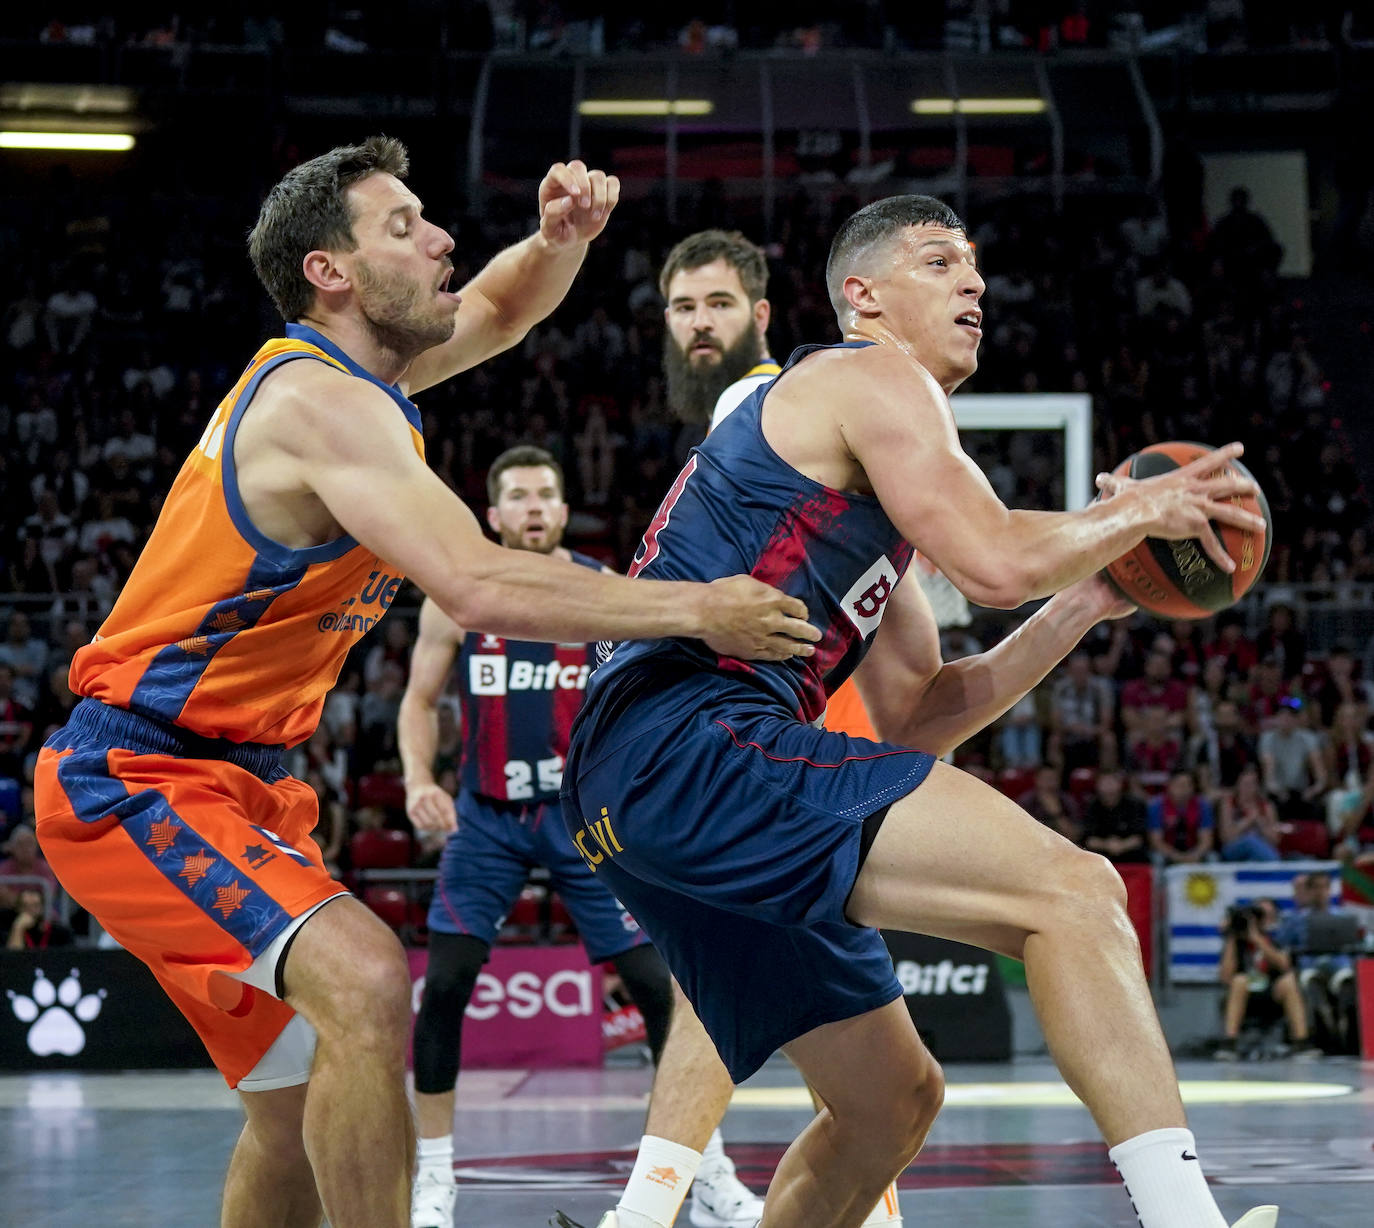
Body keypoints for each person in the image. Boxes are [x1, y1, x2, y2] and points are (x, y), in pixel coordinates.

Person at [31, 137, 818, 1228]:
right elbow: (480, 581)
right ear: (330, 272)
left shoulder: (366, 383)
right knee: (365, 977)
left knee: (290, 1117)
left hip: (242, 783)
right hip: (138, 774)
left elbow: (496, 311)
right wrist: (700, 607)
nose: (442, 237)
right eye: (403, 226)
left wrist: (557, 241)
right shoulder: (318, 405)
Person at [558, 195, 1276, 1228]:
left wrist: (1083, 601)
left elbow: (918, 716)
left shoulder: (873, 500)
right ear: (864, 296)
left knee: (888, 1103)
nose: (972, 282)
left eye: (974, 266)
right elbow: (995, 564)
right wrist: (1136, 511)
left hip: (634, 787)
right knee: (1075, 892)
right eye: (939, 261)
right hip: (689, 737)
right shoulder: (867, 375)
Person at [401, 446, 763, 1228]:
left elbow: (651, 694)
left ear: (563, 511)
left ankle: (706, 1173)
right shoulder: (457, 597)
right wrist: (417, 779)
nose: (533, 507)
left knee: (661, 990)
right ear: (493, 514)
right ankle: (433, 1180)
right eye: (518, 496)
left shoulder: (604, 592)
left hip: (582, 819)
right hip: (488, 817)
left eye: (545, 495)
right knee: (446, 984)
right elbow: (418, 700)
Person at [657, 228, 782, 434]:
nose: (700, 323)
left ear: (759, 317)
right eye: (685, 308)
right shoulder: (738, 404)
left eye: (720, 304)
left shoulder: (749, 399)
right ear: (669, 321)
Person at [1214, 897, 1319, 1061]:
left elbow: (1284, 965)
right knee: (1239, 981)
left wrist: (1256, 938)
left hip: (1272, 992)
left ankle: (1301, 1042)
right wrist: (1231, 936)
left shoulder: (1278, 938)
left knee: (1289, 981)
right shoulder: (1236, 943)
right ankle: (1230, 1043)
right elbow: (1225, 977)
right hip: (1245, 994)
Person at [1259, 695, 1327, 822]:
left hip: (1301, 792)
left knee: (1316, 808)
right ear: (1276, 718)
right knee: (1274, 806)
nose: (1286, 719)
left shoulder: (1308, 738)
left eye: (1291, 716)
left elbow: (1321, 777)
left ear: (1296, 719)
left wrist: (1312, 791)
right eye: (1282, 715)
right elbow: (1269, 776)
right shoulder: (1267, 739)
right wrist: (1278, 792)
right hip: (1277, 792)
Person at [1148, 769, 1217, 865]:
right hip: (1168, 853)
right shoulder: (1156, 805)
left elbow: (1206, 840)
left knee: (1213, 858)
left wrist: (1194, 855)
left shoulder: (1203, 805)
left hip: (1194, 852)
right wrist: (1177, 856)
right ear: (1169, 786)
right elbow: (1156, 841)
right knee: (1157, 859)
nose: (1184, 790)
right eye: (1180, 785)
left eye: (1188, 785)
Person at [1080, 769, 1150, 864]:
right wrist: (1107, 845)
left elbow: (1140, 838)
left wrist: (1121, 845)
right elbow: (1088, 840)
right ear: (1097, 785)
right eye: (1104, 783)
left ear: (1120, 784)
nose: (1108, 787)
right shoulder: (1091, 807)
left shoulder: (1135, 805)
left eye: (1112, 782)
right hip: (1100, 858)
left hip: (1132, 857)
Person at [1217, 765, 1283, 862]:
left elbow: (1275, 839)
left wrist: (1259, 822)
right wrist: (1248, 820)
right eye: (1245, 784)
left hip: (1261, 851)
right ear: (1238, 785)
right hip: (1233, 849)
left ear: (1257, 786)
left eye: (1252, 784)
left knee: (1255, 848)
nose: (1248, 788)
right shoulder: (1228, 804)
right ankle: (1276, 865)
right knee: (1250, 841)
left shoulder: (1266, 806)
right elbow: (1226, 838)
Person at [5, 883, 73, 950]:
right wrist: (18, 928)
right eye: (25, 906)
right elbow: (14, 955)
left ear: (42, 908)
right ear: (18, 909)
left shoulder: (60, 932)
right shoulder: (9, 930)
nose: (30, 910)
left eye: (35, 906)